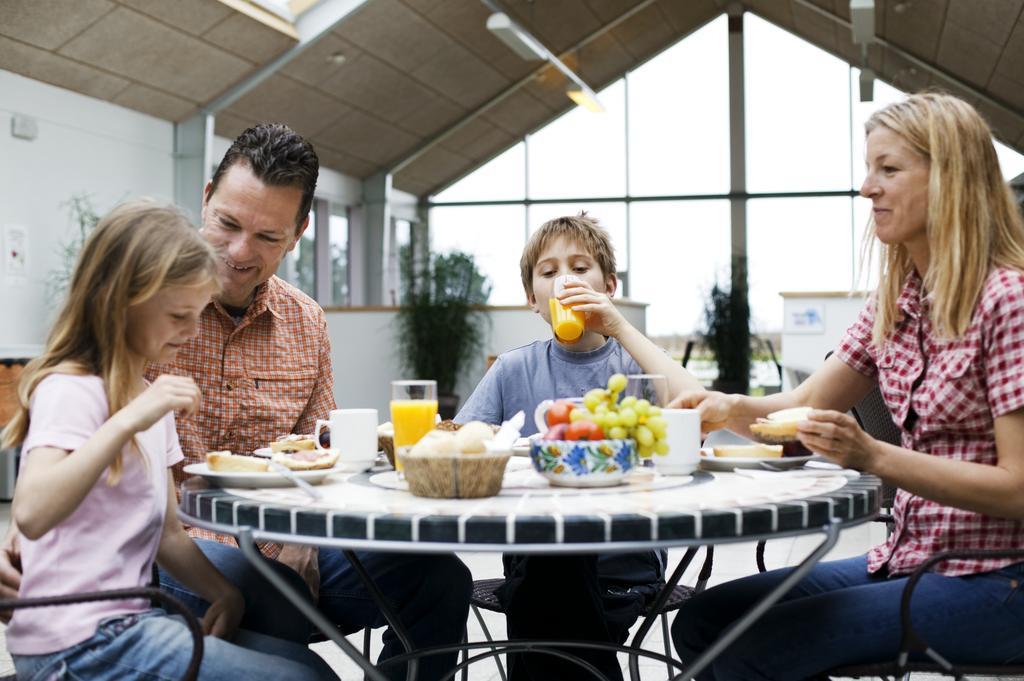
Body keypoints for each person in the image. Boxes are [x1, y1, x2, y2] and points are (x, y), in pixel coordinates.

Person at [0, 124, 472, 681]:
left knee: (438, 578)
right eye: (227, 223)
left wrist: (301, 537)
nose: (240, 251)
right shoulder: (137, 318)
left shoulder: (306, 323)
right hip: (171, 554)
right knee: (273, 606)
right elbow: (52, 482)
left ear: (298, 234)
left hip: (275, 542)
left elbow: (323, 455)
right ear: (205, 200)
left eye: (268, 236)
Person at [669, 92, 1024, 680]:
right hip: (908, 559)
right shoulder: (896, 302)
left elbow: (1018, 489)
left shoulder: (1008, 301)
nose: (867, 188)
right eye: (869, 169)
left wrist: (873, 454)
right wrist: (728, 406)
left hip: (998, 579)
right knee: (704, 623)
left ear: (952, 179)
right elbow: (799, 408)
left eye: (889, 169)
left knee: (752, 650)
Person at [0, 200, 336, 680]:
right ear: (125, 303)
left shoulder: (143, 394)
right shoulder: (72, 388)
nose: (191, 330)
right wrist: (127, 421)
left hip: (128, 624)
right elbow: (31, 514)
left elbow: (167, 531)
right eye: (179, 316)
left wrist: (224, 592)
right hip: (75, 645)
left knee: (302, 664)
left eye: (197, 314)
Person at [455, 213, 705, 681]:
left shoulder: (636, 365)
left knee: (542, 613)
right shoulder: (513, 369)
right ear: (533, 299)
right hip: (533, 554)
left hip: (623, 563)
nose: (564, 280)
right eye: (548, 273)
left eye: (579, 267)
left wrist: (620, 327)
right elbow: (460, 446)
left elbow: (702, 411)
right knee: (547, 578)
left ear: (608, 284)